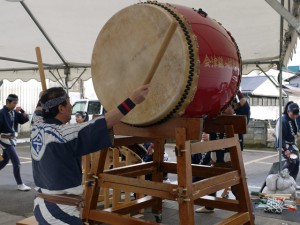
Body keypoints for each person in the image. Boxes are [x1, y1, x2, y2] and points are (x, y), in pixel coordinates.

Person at [30, 85, 149, 224]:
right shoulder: (65, 134)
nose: (71, 106)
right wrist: (133, 100)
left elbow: (39, 109)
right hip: (58, 213)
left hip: (42, 206)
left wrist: (43, 99)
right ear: (61, 108)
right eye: (68, 102)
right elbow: (105, 122)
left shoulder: (36, 126)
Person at [0, 94, 31, 191]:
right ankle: (20, 184)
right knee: (16, 162)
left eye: (16, 103)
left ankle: (20, 184)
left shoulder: (14, 112)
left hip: (12, 139)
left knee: (5, 160)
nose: (15, 105)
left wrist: (22, 111)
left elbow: (25, 119)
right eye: (14, 103)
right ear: (8, 102)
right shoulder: (1, 113)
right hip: (4, 139)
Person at [275, 101, 300, 189]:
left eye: (296, 115)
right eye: (293, 115)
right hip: (283, 144)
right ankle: (280, 180)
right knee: (292, 161)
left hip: (292, 144)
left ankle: (292, 183)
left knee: (297, 162)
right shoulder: (282, 120)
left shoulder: (295, 117)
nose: (295, 116)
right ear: (288, 112)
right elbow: (279, 136)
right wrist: (285, 149)